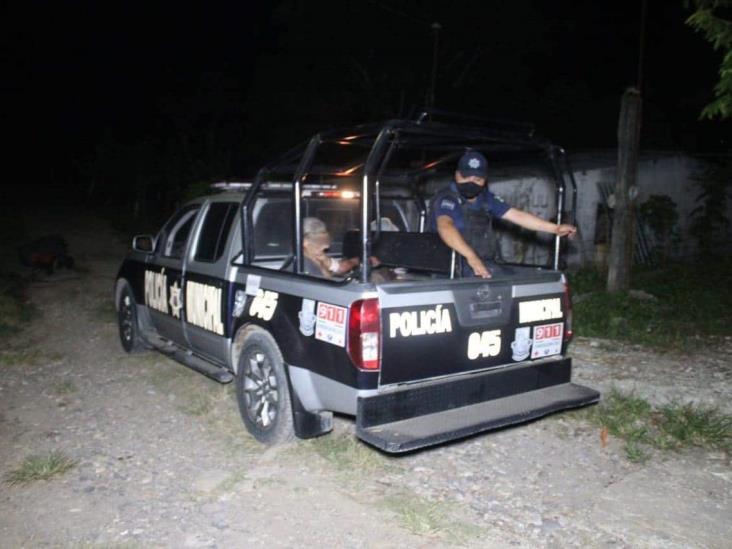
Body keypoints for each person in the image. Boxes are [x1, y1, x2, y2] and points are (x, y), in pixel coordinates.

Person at [429, 150, 577, 278]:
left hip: (484, 262)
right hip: (451, 267)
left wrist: (555, 229)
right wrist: (472, 258)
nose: (471, 183)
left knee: (527, 278)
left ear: (485, 180)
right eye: (465, 177)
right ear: (456, 175)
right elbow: (445, 227)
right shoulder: (447, 198)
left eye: (477, 179)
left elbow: (516, 215)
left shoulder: (486, 198)